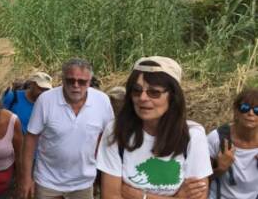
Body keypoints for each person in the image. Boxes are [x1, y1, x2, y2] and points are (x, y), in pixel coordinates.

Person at [97, 56, 212, 199]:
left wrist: (140, 196)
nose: (143, 98)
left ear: (173, 96)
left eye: (154, 92)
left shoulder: (193, 136)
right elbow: (111, 196)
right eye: (136, 91)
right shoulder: (116, 131)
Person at [19, 58, 114, 199]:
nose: (76, 85)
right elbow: (30, 139)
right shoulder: (45, 101)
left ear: (89, 81)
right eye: (71, 80)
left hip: (83, 183)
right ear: (63, 80)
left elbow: (108, 138)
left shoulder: (102, 101)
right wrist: (26, 178)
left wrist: (101, 175)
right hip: (47, 182)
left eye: (82, 82)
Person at [208, 88, 258, 199]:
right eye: (244, 108)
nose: (251, 113)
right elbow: (198, 180)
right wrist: (219, 169)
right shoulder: (217, 138)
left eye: (257, 110)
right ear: (236, 111)